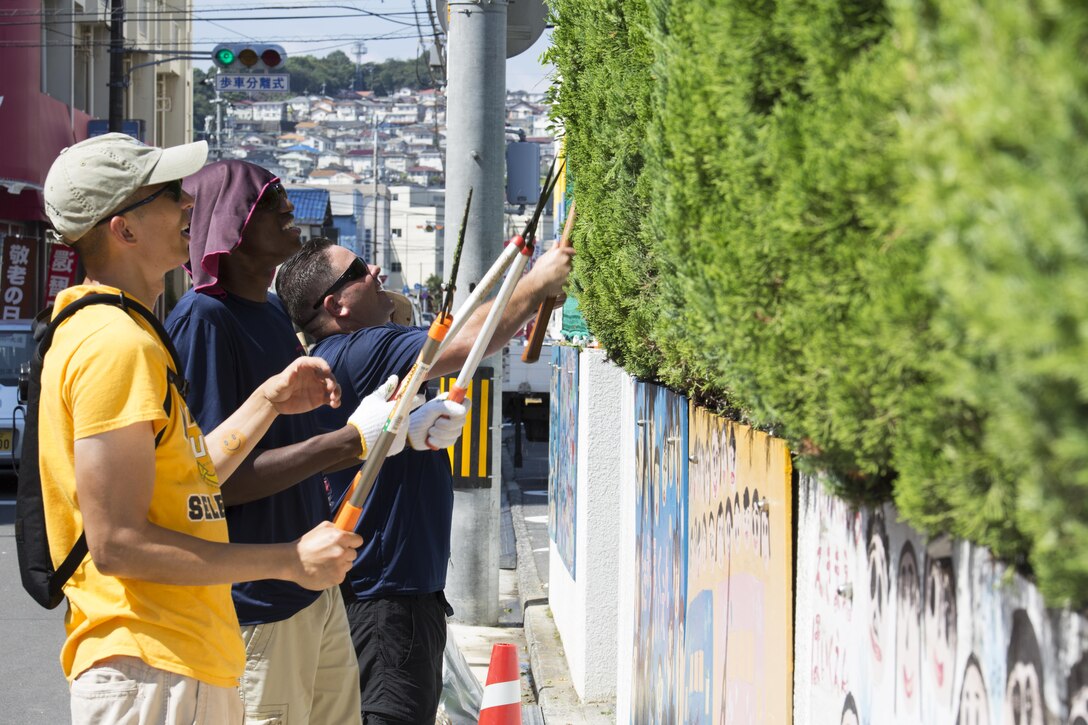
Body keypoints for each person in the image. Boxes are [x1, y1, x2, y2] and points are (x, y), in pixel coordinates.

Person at [39, 133, 365, 725]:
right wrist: (288, 559)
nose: (189, 203)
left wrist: (267, 401)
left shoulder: (125, 328)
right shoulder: (116, 343)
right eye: (168, 194)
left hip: (173, 661)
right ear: (124, 229)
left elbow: (191, 477)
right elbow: (117, 544)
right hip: (154, 662)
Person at [164, 160, 466, 725]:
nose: (287, 207)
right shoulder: (205, 319)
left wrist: (404, 434)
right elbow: (212, 480)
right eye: (268, 199)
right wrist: (355, 441)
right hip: (258, 604)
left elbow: (299, 441)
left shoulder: (270, 314)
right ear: (229, 224)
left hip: (314, 591)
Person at [275, 236, 574, 724]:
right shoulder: (364, 347)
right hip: (388, 602)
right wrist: (537, 281)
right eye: (359, 269)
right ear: (336, 304)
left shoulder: (338, 358)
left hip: (379, 594)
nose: (375, 271)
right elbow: (468, 340)